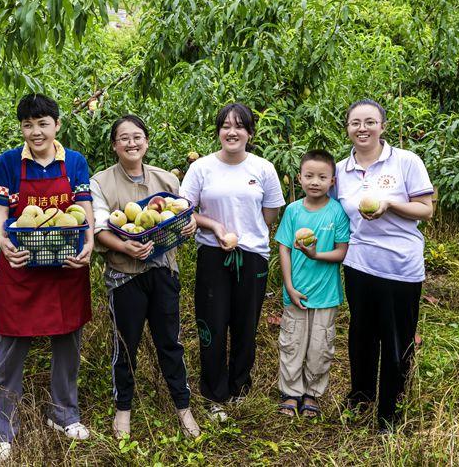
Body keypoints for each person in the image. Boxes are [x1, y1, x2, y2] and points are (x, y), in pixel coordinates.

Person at [0, 94, 95, 463]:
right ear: (22, 129)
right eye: (28, 125)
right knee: (10, 353)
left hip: (65, 268)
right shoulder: (8, 162)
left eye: (43, 123)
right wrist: (2, 240)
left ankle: (63, 414)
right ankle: (2, 430)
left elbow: (84, 208)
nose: (36, 131)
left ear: (57, 125)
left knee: (68, 346)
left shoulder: (74, 162)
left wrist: (89, 241)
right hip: (22, 266)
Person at [90, 115, 201, 439]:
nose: (131, 143)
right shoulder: (101, 182)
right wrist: (124, 245)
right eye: (123, 138)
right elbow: (98, 228)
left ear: (147, 141)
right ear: (114, 145)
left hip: (164, 270)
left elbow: (182, 216)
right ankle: (123, 411)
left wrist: (190, 225)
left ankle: (184, 409)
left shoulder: (166, 180)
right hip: (125, 276)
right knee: (125, 346)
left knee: (170, 342)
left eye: (137, 136)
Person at [331, 99, 434, 432]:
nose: (362, 128)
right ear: (347, 128)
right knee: (361, 334)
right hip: (359, 264)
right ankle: (361, 398)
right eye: (355, 122)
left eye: (370, 122)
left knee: (396, 340)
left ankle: (390, 412)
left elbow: (425, 209)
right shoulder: (340, 170)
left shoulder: (405, 161)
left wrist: (390, 203)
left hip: (400, 266)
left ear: (382, 126)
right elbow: (333, 216)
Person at [179, 103, 285, 422]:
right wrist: (214, 226)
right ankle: (215, 395)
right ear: (218, 131)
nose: (232, 131)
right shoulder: (202, 169)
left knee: (245, 326)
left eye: (239, 126)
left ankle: (240, 389)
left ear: (250, 133)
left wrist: (247, 234)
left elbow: (270, 214)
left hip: (251, 256)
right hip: (213, 254)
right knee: (212, 324)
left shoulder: (263, 169)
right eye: (225, 125)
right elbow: (186, 209)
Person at [273, 150, 350, 418]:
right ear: (299, 178)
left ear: (333, 181)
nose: (314, 181)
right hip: (296, 292)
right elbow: (283, 249)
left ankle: (313, 393)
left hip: (326, 295)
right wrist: (289, 286)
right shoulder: (293, 211)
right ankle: (291, 392)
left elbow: (342, 252)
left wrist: (315, 254)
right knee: (292, 343)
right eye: (309, 176)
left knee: (320, 347)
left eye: (321, 177)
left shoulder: (337, 212)